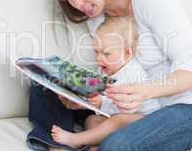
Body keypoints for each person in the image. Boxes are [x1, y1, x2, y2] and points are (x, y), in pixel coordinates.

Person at [27, 0, 192, 150]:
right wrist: (84, 97)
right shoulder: (96, 18)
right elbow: (114, 76)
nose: (77, 4)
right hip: (134, 108)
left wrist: (145, 92)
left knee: (118, 144)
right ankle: (58, 145)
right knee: (43, 85)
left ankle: (87, 145)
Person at [51, 17, 161, 150]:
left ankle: (76, 140)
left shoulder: (132, 74)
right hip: (116, 119)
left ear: (127, 54)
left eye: (106, 53)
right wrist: (81, 100)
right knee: (91, 119)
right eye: (96, 52)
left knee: (118, 120)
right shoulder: (105, 69)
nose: (98, 58)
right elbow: (97, 95)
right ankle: (94, 147)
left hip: (145, 121)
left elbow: (124, 107)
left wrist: (101, 103)